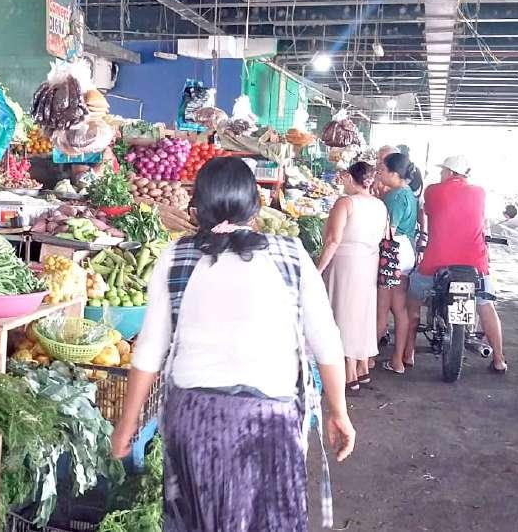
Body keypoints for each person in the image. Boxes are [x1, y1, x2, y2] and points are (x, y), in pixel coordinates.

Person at [110, 157, 354, 530]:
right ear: (255, 205)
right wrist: (338, 411)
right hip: (270, 422)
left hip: (194, 422)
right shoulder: (292, 256)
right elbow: (327, 343)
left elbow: (149, 352)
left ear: (197, 207)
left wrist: (126, 425)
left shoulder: (175, 256)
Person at [406, 156, 509, 373]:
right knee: (486, 304)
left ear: (450, 172)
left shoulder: (433, 191)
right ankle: (499, 359)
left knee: (412, 299)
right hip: (475, 265)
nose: (440, 174)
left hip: (436, 263)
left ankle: (408, 353)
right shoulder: (480, 192)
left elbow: (429, 213)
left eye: (443, 171)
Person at [318, 161, 387, 390]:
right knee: (362, 314)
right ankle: (362, 367)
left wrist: (319, 270)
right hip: (369, 262)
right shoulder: (380, 205)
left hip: (346, 263)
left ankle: (348, 372)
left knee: (343, 313)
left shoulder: (346, 203)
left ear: (349, 177)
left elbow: (333, 240)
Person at [375, 153, 419, 374]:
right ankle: (397, 361)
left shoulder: (395, 197)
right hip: (407, 252)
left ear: (394, 173)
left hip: (392, 252)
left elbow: (388, 232)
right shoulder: (409, 194)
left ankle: (368, 359)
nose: (379, 173)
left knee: (382, 309)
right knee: (400, 309)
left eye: (383, 170)